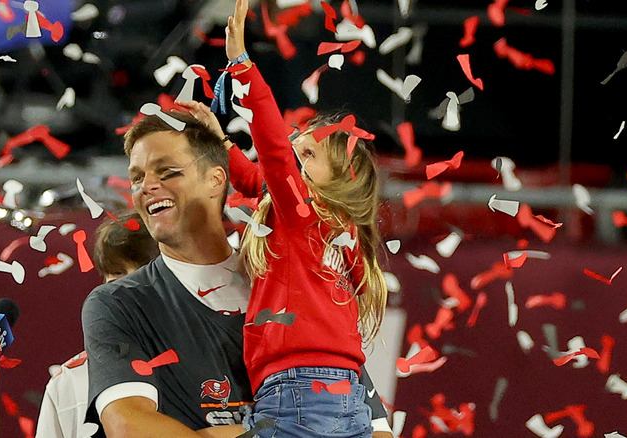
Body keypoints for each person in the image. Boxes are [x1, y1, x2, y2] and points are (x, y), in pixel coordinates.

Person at [80, 103, 393, 435]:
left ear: (217, 180)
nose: (148, 186)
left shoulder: (297, 286)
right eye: (137, 177)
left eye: (168, 171)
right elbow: (130, 428)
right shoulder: (119, 304)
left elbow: (378, 431)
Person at [179, 0, 388, 436]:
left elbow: (272, 154)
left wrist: (241, 66)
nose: (293, 155)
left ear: (340, 177)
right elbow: (260, 181)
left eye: (307, 154)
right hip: (348, 399)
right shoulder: (335, 228)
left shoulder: (304, 216)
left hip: (297, 395)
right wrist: (221, 141)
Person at [36, 210, 159, 438]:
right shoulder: (69, 381)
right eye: (117, 272)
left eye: (145, 270)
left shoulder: (207, 363)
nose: (128, 285)